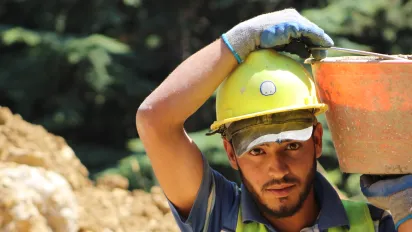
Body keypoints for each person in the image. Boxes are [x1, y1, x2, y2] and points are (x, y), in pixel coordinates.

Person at [136, 8, 412, 232]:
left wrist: (408, 208)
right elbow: (154, 121)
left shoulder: (374, 226)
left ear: (316, 141)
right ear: (231, 153)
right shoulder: (219, 218)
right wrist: (241, 38)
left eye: (291, 146)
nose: (277, 170)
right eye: (257, 151)